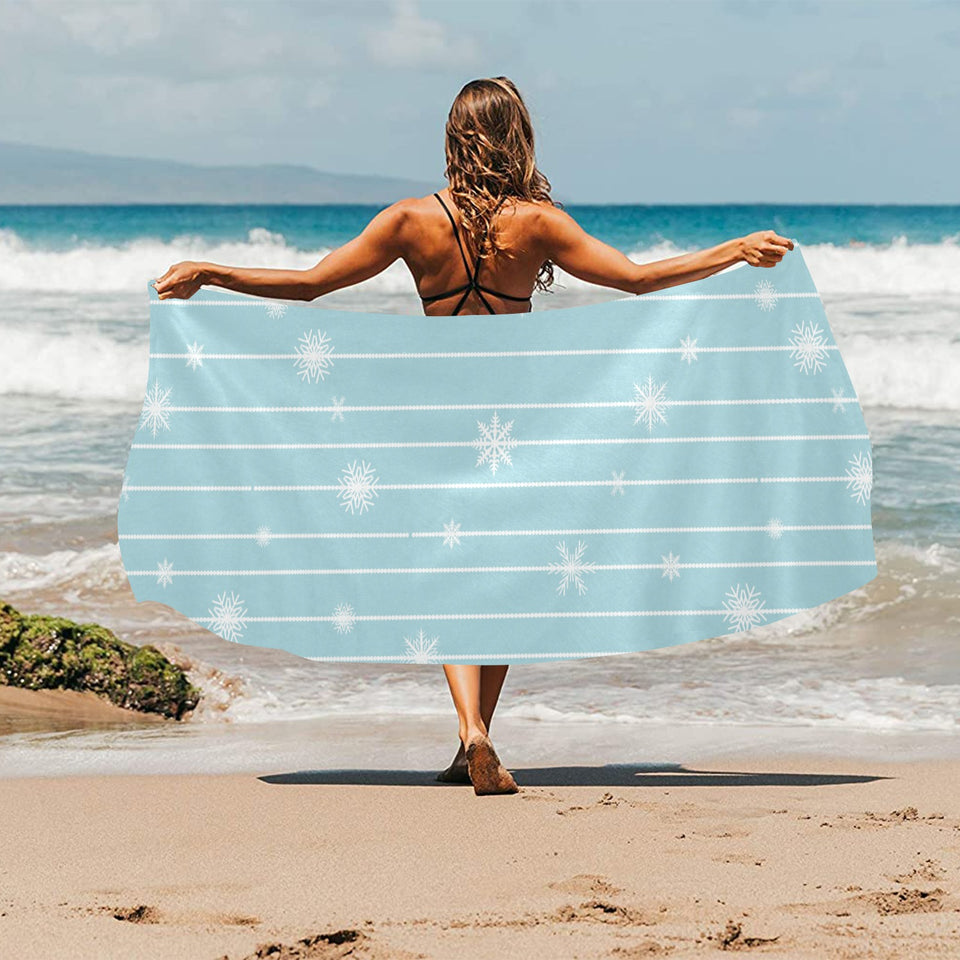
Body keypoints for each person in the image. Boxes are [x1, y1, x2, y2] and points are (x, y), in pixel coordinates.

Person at [154, 76, 794, 796]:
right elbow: (638, 282)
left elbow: (309, 285)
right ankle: (479, 734)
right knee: (501, 578)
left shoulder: (407, 220)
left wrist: (211, 272)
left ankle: (471, 737)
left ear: (455, 136)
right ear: (517, 136)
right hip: (517, 416)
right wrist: (734, 250)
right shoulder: (539, 223)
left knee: (454, 575)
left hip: (436, 414)